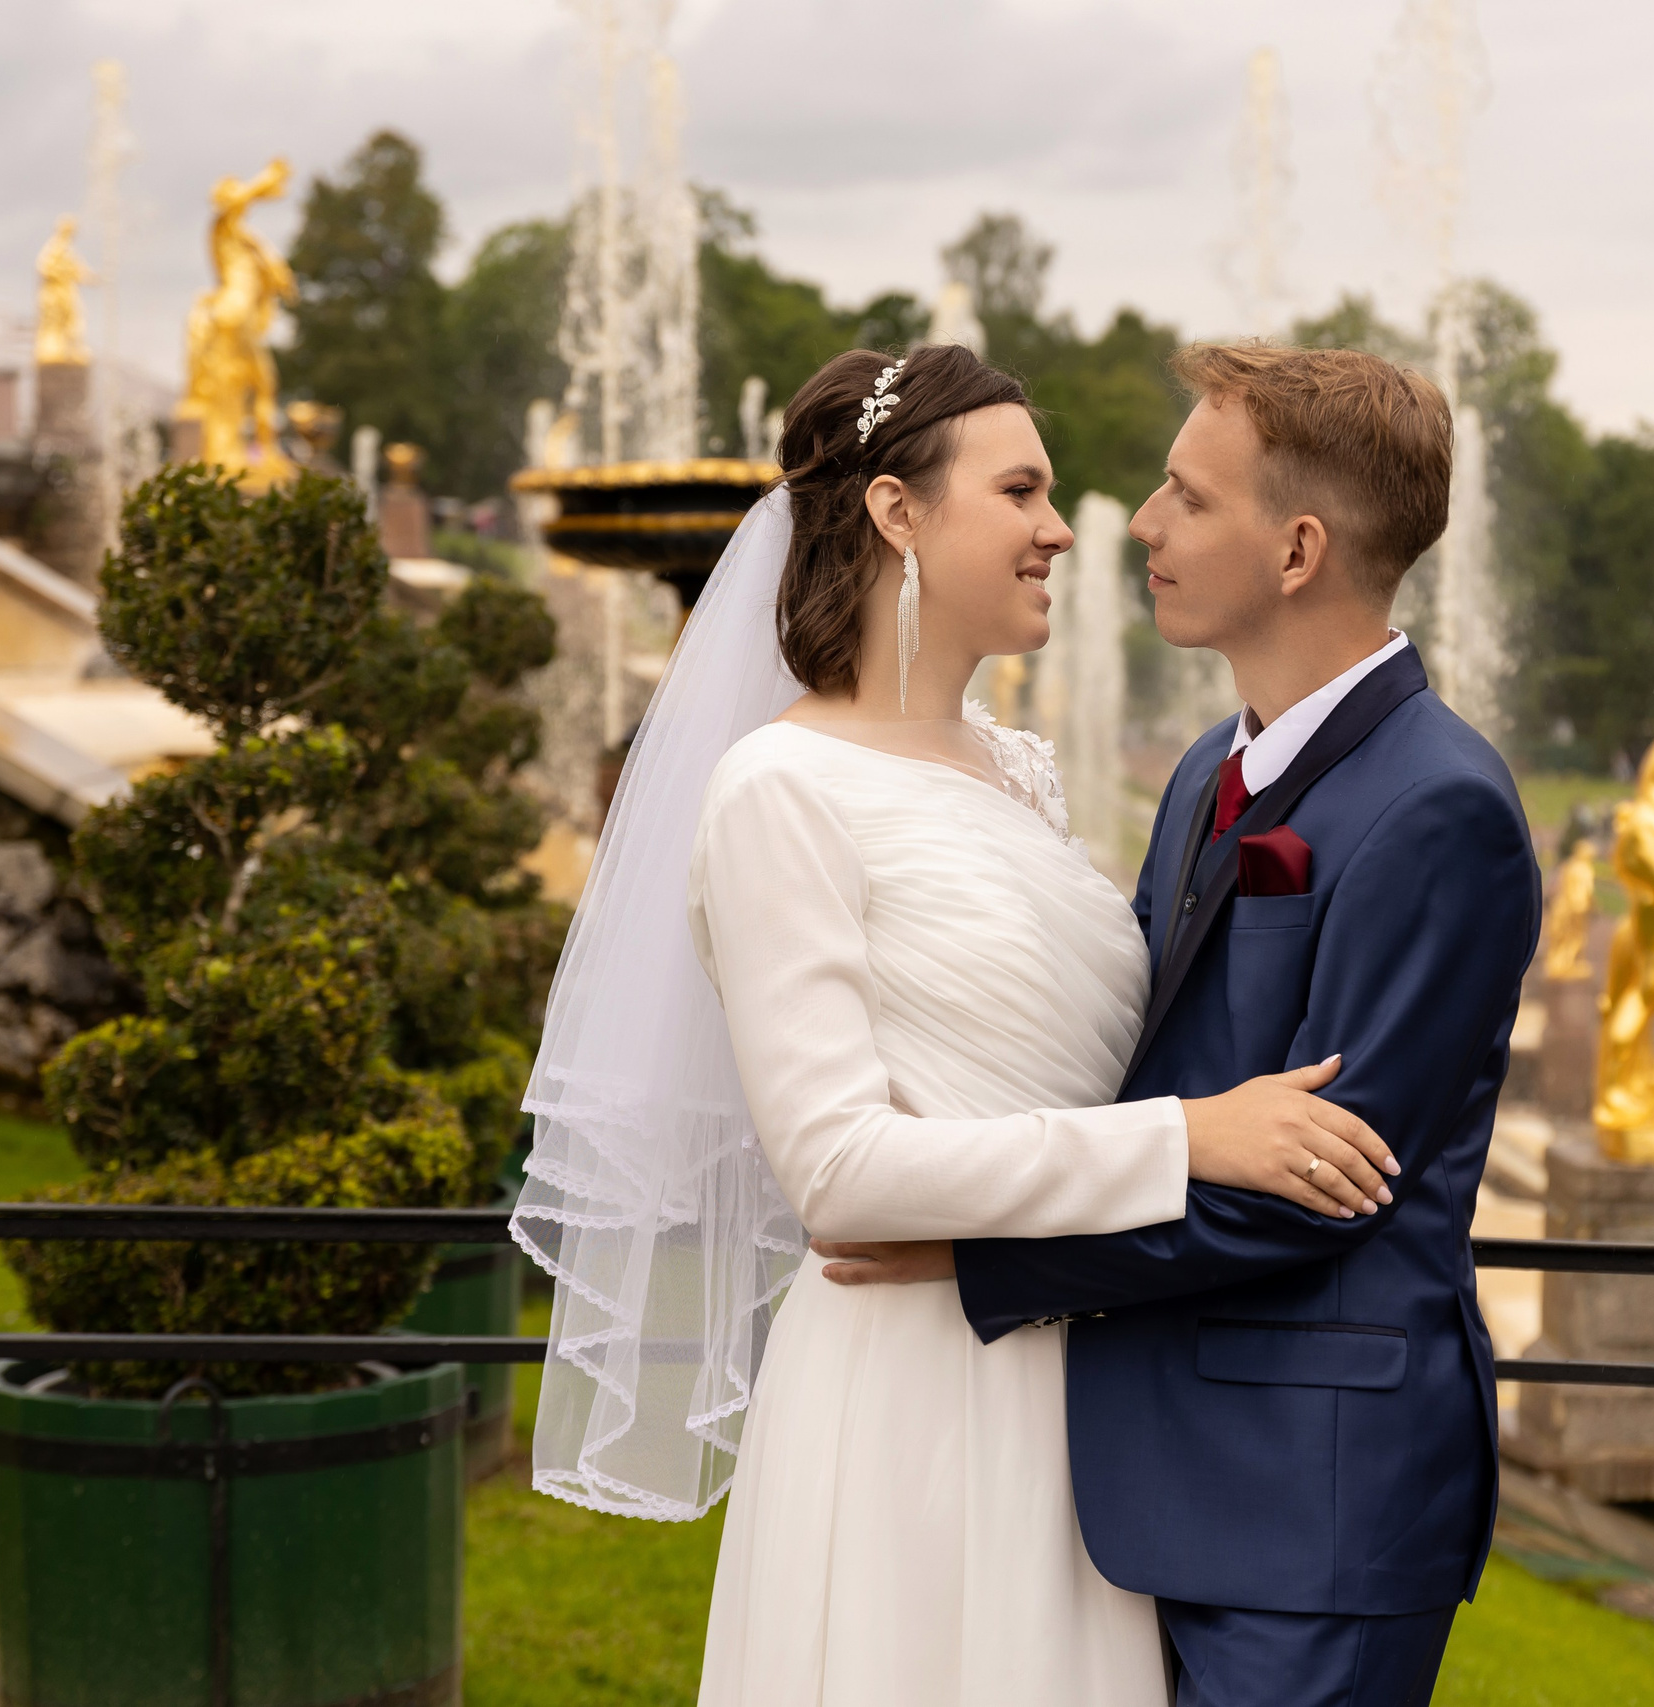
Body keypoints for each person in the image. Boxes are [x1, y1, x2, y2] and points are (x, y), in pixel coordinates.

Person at [512, 344, 1410, 1707]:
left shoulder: (1022, 771)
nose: (1063, 527)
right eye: (1022, 490)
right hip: (910, 1390)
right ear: (896, 512)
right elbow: (838, 1171)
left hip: (1087, 1389)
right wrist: (1191, 1138)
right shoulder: (781, 789)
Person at [827, 342, 1539, 1705]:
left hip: (1310, 1507)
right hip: (1151, 1469)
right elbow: (1171, 1087)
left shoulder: (1442, 807)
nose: (1142, 523)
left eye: (1188, 496)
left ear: (1299, 550)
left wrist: (973, 1253)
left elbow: (1324, 1188)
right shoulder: (1213, 770)